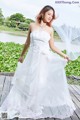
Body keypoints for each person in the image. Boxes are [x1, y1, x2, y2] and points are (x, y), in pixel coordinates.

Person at [0, 5, 76, 119]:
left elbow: (53, 46)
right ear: (43, 13)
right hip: (31, 58)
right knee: (26, 80)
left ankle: (34, 105)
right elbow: (27, 43)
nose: (50, 17)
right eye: (49, 14)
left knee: (40, 82)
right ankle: (24, 103)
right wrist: (21, 56)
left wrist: (63, 54)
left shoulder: (50, 29)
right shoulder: (32, 25)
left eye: (52, 16)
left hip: (44, 59)